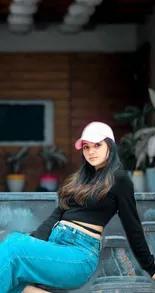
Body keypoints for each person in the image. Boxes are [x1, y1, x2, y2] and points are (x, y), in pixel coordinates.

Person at [0, 122, 155, 293]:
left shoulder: (119, 179)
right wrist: (32, 243)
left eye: (97, 145)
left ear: (110, 145)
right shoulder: (79, 180)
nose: (91, 151)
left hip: (79, 253)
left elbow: (133, 227)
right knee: (12, 272)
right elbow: (54, 218)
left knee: (14, 246)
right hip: (55, 246)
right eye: (86, 147)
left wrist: (152, 268)